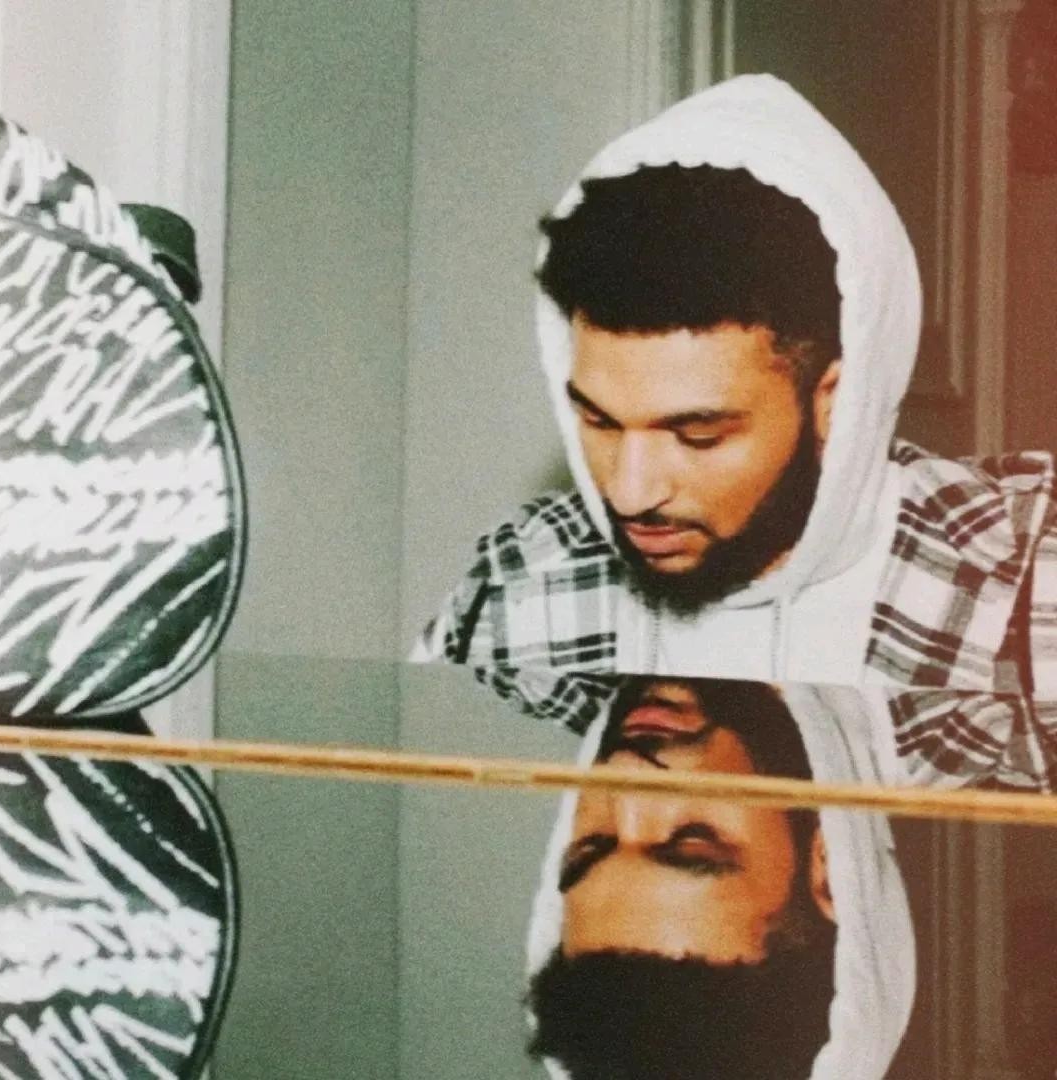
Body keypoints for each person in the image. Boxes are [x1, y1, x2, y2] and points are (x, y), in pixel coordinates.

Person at [413, 74, 1057, 698]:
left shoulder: (1025, 581)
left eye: (698, 435)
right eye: (599, 422)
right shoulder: (520, 587)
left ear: (835, 398)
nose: (630, 493)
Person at [523, 676, 914, 1080]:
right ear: (831, 871)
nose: (624, 767)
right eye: (692, 843)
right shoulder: (942, 710)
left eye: (591, 848)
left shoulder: (538, 668)